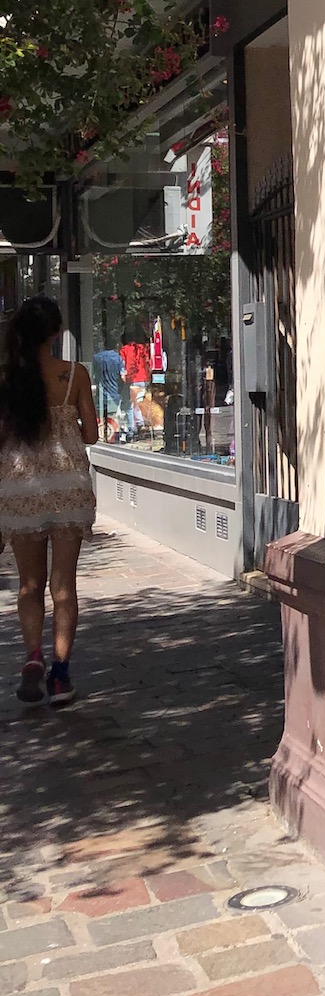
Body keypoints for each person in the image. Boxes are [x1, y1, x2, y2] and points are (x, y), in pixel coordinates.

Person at [0, 297, 99, 705]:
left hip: (21, 486)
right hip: (67, 487)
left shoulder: (8, 378)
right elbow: (91, 434)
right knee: (63, 586)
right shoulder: (74, 374)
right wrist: (66, 424)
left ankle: (33, 656)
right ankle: (60, 676)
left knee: (29, 584)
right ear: (56, 333)